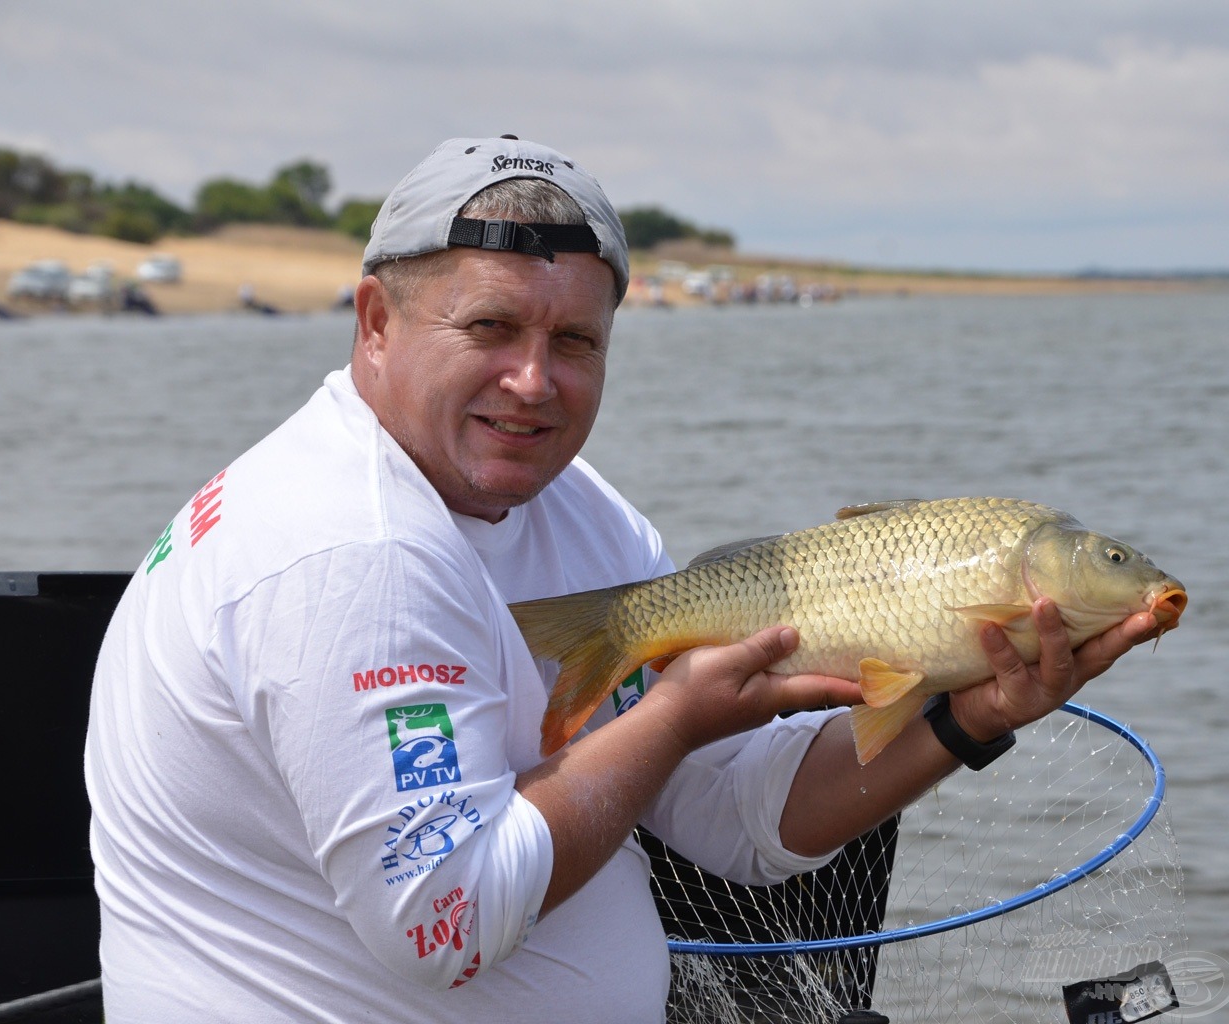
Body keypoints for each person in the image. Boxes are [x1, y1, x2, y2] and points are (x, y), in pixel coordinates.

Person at [84, 136, 1167, 1023]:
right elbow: (441, 925)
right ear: (376, 322)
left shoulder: (571, 509)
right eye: (491, 327)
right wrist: (673, 717)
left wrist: (964, 719)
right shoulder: (347, 556)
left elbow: (740, 820)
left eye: (576, 342)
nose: (532, 381)